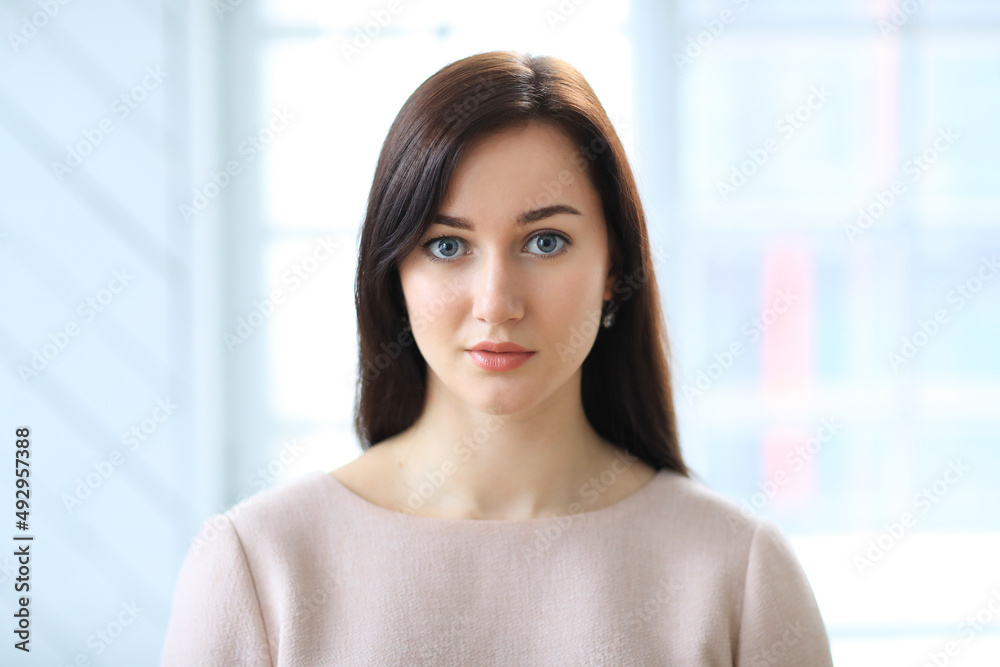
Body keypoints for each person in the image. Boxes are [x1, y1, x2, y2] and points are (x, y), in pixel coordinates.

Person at [160, 50, 834, 666]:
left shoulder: (736, 574)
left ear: (614, 269)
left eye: (544, 242)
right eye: (448, 246)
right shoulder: (259, 566)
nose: (496, 303)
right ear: (393, 273)